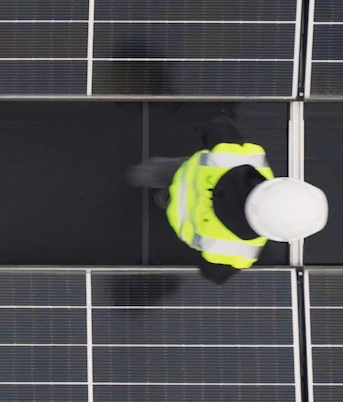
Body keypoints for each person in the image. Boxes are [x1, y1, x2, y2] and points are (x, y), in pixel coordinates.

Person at [127, 116, 328, 284]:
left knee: (147, 173)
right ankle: (162, 198)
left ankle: (136, 176)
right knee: (164, 199)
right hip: (177, 216)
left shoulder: (245, 157)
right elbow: (214, 275)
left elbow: (219, 127)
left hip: (180, 175)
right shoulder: (240, 253)